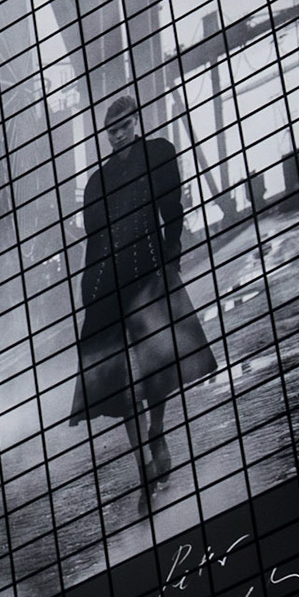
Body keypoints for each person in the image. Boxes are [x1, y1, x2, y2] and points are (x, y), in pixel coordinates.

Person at [70, 95, 218, 514]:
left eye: (123, 124)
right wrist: (88, 294)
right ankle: (144, 470)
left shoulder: (158, 153)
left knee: (155, 364)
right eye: (111, 129)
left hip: (148, 274)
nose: (118, 133)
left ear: (135, 121)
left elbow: (172, 210)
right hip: (105, 287)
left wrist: (171, 256)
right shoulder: (97, 182)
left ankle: (157, 430)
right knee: (119, 382)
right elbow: (94, 241)